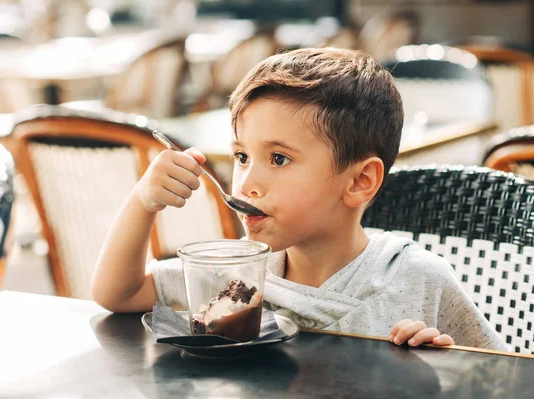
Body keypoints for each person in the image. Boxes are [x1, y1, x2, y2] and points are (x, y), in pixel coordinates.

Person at [92, 47, 508, 351]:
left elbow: (504, 376)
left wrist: (444, 363)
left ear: (360, 181)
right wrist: (142, 201)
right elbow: (120, 294)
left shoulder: (417, 279)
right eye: (241, 156)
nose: (247, 183)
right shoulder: (240, 274)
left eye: (278, 158)